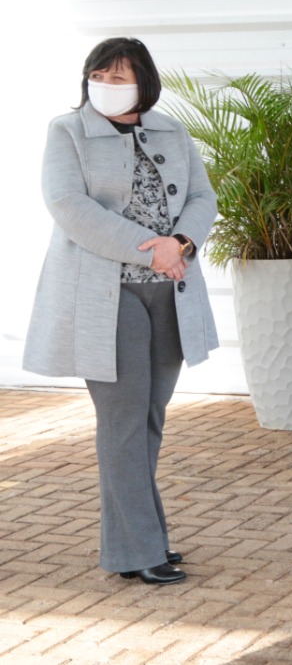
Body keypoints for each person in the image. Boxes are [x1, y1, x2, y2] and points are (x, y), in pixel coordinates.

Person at [24, 37, 218, 586]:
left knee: (149, 418)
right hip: (107, 295)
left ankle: (136, 540)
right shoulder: (67, 132)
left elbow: (203, 198)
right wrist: (150, 249)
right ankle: (140, 548)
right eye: (98, 76)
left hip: (171, 291)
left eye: (118, 77)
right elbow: (68, 206)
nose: (105, 86)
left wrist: (180, 242)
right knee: (124, 424)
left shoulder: (172, 131)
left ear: (143, 83)